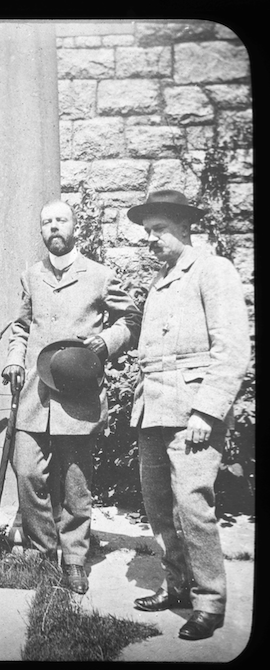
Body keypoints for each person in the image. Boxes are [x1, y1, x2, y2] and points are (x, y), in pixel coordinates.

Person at [127, 190, 251, 641]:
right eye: (147, 232)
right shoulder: (162, 279)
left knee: (193, 506)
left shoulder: (213, 270)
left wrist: (206, 410)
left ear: (184, 227)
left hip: (193, 412)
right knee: (159, 506)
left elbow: (232, 350)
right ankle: (177, 586)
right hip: (155, 410)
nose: (151, 239)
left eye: (158, 229)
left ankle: (210, 602)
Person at [2, 199, 141, 593]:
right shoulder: (31, 276)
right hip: (36, 395)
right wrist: (14, 359)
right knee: (27, 471)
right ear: (41, 231)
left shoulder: (99, 275)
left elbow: (131, 319)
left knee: (77, 483)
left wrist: (106, 341)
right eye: (47, 222)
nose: (54, 228)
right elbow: (21, 327)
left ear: (74, 226)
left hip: (79, 397)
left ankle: (75, 559)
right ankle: (44, 551)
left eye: (61, 220)